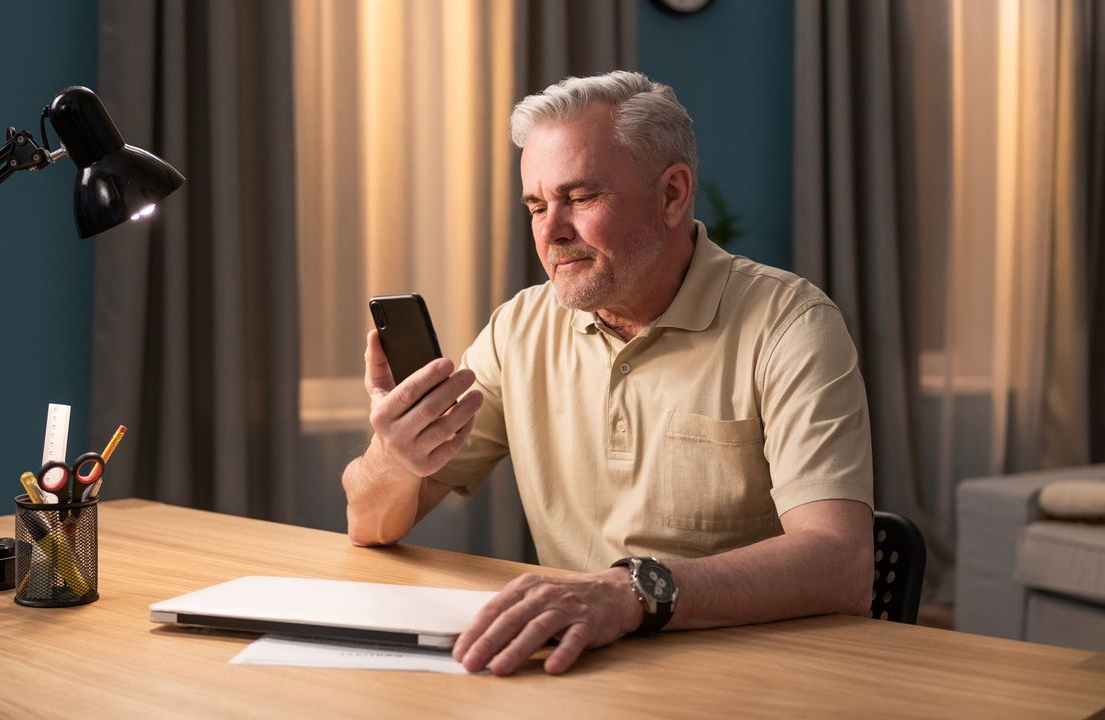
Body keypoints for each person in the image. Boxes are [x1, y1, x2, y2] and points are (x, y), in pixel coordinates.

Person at [341, 71, 874, 676]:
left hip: (756, 676)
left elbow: (841, 563)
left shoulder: (790, 324)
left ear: (672, 194)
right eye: (537, 206)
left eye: (581, 198)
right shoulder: (520, 327)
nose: (551, 232)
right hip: (584, 668)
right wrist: (393, 454)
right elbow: (371, 525)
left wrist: (628, 594)